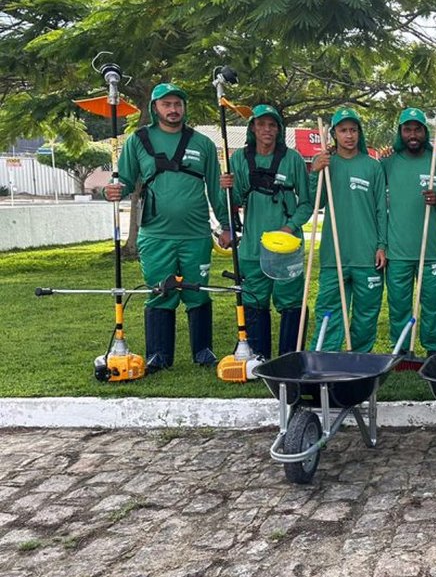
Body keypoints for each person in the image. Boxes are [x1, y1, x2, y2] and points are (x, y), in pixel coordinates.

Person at [105, 83, 229, 371]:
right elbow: (123, 180)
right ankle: (159, 354)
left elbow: (215, 187)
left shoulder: (203, 144)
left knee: (198, 292)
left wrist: (225, 226)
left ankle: (203, 351)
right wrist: (112, 191)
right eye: (167, 104)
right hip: (155, 234)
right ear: (155, 108)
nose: (173, 109)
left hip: (196, 234)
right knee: (160, 291)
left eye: (178, 104)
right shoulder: (138, 141)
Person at [219, 104, 315, 358]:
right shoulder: (239, 158)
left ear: (279, 129)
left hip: (287, 246)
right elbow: (235, 199)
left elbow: (306, 203)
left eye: (272, 125)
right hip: (252, 246)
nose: (267, 130)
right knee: (254, 300)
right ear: (252, 128)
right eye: (261, 124)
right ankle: (258, 356)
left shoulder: (292, 158)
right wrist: (226, 187)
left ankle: (289, 357)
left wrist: (289, 228)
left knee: (291, 302)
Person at [307, 107, 387, 352]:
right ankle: (324, 357)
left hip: (367, 253)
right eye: (343, 130)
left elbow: (381, 210)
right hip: (335, 254)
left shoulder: (373, 167)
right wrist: (314, 172)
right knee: (329, 310)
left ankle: (360, 359)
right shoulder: (327, 164)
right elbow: (315, 202)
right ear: (334, 134)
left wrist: (382, 245)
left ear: (359, 133)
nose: (349, 135)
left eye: (353, 130)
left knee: (366, 313)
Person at [382, 107, 436, 354]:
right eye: (407, 129)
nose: (412, 134)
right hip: (398, 249)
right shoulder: (387, 164)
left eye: (417, 129)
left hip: (432, 249)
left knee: (432, 303)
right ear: (400, 132)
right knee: (399, 303)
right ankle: (402, 349)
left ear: (425, 132)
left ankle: (433, 347)